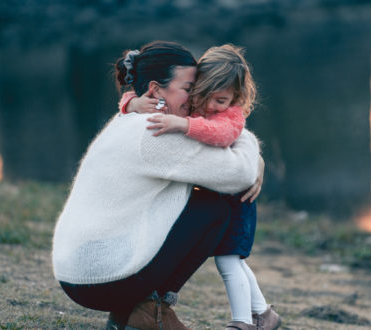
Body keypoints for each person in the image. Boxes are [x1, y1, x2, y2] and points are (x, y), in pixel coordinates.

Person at [51, 41, 264, 330]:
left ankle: (129, 313)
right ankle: (152, 309)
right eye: (189, 90)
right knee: (214, 211)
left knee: (193, 201)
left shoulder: (126, 119)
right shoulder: (156, 132)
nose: (195, 100)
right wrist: (250, 144)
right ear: (154, 90)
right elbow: (240, 174)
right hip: (101, 279)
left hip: (76, 274)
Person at [121, 44, 281, 330]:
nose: (209, 106)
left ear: (237, 97)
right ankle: (263, 314)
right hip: (217, 198)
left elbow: (221, 135)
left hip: (236, 201)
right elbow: (137, 95)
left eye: (220, 100)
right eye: (203, 95)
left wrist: (183, 126)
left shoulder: (230, 116)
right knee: (235, 262)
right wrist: (131, 105)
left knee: (229, 263)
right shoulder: (195, 105)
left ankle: (242, 322)